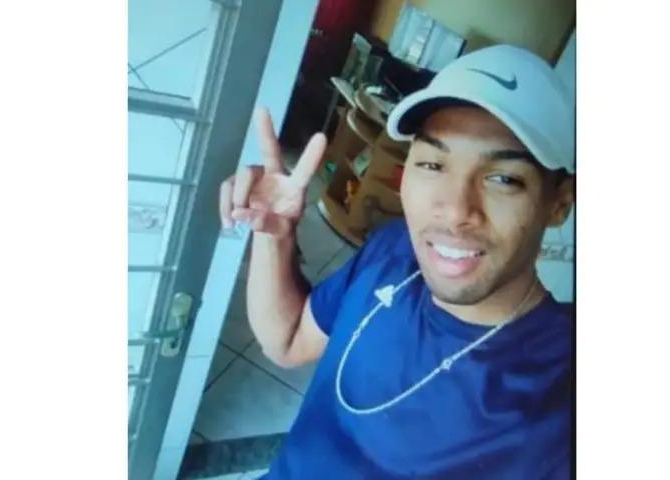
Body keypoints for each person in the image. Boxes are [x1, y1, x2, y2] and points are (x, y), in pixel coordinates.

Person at [219, 44, 575, 480]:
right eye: (433, 164)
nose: (454, 210)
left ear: (559, 204)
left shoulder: (560, 386)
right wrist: (274, 235)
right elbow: (288, 341)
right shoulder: (394, 249)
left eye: (502, 178)